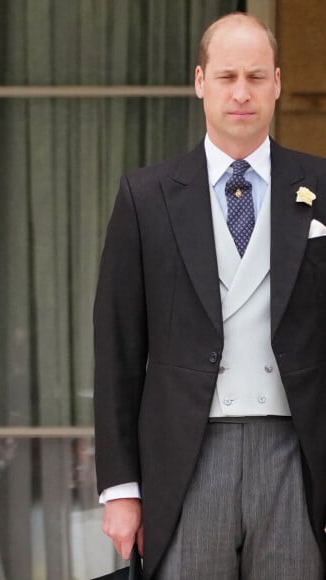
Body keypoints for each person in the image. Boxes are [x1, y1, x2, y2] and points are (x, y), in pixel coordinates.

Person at [94, 12, 326, 580]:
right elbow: (118, 349)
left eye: (255, 76)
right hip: (186, 456)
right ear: (200, 82)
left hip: (297, 454)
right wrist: (121, 488)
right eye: (227, 77)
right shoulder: (146, 196)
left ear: (277, 82)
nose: (241, 93)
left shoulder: (322, 188)